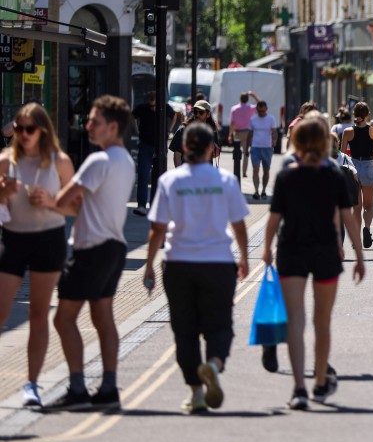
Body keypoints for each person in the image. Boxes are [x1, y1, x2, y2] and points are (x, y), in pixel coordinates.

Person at [143, 123, 250, 413]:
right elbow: (239, 225)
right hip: (218, 263)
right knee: (220, 324)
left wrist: (149, 265)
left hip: (179, 263)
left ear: (186, 148)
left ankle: (196, 393)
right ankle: (213, 364)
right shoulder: (226, 181)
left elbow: (157, 228)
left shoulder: (170, 181)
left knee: (185, 330)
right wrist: (244, 257)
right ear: (212, 150)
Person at [263, 116, 365, 409]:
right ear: (324, 143)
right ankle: (320, 383)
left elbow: (273, 219)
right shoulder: (334, 176)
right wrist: (358, 255)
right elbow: (347, 218)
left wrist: (266, 249)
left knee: (295, 320)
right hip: (325, 251)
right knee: (322, 321)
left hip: (291, 249)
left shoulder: (286, 176)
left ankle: (298, 389)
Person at [50, 96, 136, 410]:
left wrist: (46, 198)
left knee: (63, 318)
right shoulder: (125, 160)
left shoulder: (98, 161)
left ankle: (76, 388)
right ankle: (109, 387)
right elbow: (87, 205)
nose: (87, 125)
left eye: (95, 121)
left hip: (90, 250)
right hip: (115, 248)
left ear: (113, 127)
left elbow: (64, 201)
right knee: (103, 317)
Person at [0, 104, 74, 408]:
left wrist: (50, 200)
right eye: (19, 128)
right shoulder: (6, 161)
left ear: (43, 131)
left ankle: (31, 384)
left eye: (29, 129)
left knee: (38, 313)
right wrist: (3, 192)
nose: (23, 134)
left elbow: (76, 207)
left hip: (48, 239)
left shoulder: (59, 162)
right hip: (12, 238)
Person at [131, 91, 180, 216]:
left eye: (154, 106)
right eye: (151, 105)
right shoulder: (143, 108)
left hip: (159, 145)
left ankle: (156, 204)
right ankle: (142, 205)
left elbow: (175, 115)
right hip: (145, 145)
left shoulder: (164, 108)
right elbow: (132, 116)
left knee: (159, 177)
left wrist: (169, 130)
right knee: (143, 175)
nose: (153, 108)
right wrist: (136, 130)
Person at [341, 102, 373, 249]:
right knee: (369, 206)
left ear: (354, 113)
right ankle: (367, 228)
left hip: (354, 167)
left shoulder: (348, 132)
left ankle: (356, 239)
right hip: (369, 165)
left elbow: (343, 153)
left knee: (356, 206)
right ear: (368, 114)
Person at [169, 100, 219, 168]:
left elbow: (214, 155)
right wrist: (179, 171)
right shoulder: (183, 130)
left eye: (201, 112)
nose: (197, 114)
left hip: (206, 173)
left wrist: (215, 151)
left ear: (208, 115)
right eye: (195, 112)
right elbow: (177, 154)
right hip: (188, 172)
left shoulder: (211, 131)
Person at [249, 100, 278, 200]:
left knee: (266, 170)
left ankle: (264, 190)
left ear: (266, 109)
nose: (261, 113)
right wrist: (246, 147)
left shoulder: (271, 119)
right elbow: (250, 133)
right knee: (255, 169)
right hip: (255, 147)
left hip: (267, 148)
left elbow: (274, 131)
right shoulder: (253, 119)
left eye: (263, 111)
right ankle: (256, 191)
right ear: (257, 110)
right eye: (259, 111)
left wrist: (274, 140)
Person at [228, 91, 259, 179]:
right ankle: (244, 172)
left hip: (237, 132)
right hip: (247, 132)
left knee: (237, 151)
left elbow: (232, 123)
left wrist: (230, 134)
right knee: (246, 152)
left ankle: (236, 167)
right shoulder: (250, 108)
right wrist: (254, 95)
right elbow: (260, 104)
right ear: (247, 99)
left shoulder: (234, 108)